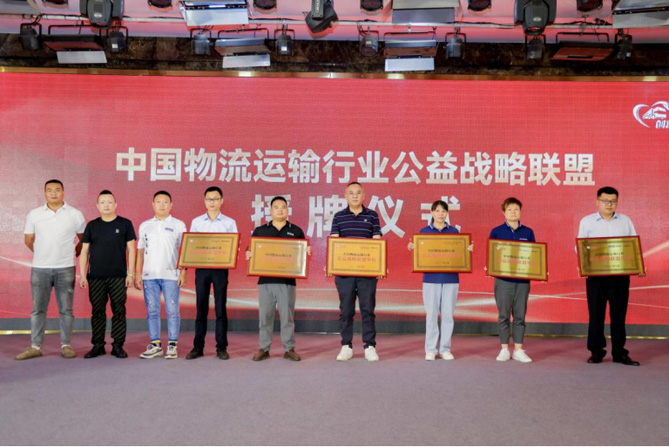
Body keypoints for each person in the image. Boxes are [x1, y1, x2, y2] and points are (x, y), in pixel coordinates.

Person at [16, 179, 85, 360]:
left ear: (63, 192)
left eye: (57, 190)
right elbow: (28, 240)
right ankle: (35, 346)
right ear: (44, 193)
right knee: (38, 309)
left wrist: (73, 254)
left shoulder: (75, 214)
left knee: (66, 309)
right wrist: (42, 253)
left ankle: (66, 345)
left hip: (66, 268)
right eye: (49, 190)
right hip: (40, 269)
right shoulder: (34, 214)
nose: (53, 193)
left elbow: (83, 240)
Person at [578, 186, 642, 366]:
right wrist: (586, 261)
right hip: (596, 277)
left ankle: (619, 353)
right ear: (597, 201)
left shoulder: (625, 221)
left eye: (613, 201)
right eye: (605, 201)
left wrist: (638, 265)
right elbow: (579, 247)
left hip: (619, 276)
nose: (609, 204)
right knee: (596, 315)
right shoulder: (587, 221)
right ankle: (596, 352)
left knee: (619, 315)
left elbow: (633, 245)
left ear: (617, 202)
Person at [245, 196, 311, 362]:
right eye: (276, 207)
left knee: (287, 318)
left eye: (283, 207)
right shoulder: (260, 231)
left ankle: (289, 348)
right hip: (265, 282)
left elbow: (301, 254)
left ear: (287, 210)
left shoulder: (296, 231)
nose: (280, 210)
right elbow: (251, 248)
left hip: (287, 282)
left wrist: (306, 252)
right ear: (270, 210)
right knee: (265, 317)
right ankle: (264, 348)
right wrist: (248, 252)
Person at [408, 200, 472, 361]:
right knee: (431, 315)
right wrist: (413, 248)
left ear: (447, 213)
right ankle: (430, 349)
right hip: (430, 279)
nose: (440, 214)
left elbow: (459, 254)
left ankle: (445, 349)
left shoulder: (455, 232)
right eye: (437, 211)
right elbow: (421, 255)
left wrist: (467, 250)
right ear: (431, 212)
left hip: (451, 279)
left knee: (448, 315)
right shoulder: (423, 232)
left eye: (443, 211)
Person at [78, 190, 136, 359]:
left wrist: (130, 274)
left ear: (115, 204)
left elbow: (132, 250)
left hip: (118, 277)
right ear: (97, 206)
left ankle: (118, 345)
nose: (106, 205)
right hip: (96, 277)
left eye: (110, 202)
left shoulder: (125, 224)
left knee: (119, 310)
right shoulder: (92, 225)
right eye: (103, 202)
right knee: (97, 311)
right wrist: (82, 275)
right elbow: (84, 251)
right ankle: (98, 345)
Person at [329, 182, 382, 362]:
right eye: (351, 193)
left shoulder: (372, 215)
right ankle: (346, 346)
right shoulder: (339, 217)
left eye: (358, 193)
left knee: (368, 310)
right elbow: (335, 243)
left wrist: (379, 265)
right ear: (345, 196)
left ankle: (370, 346)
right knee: (346, 311)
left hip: (367, 273)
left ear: (363, 195)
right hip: (345, 274)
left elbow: (377, 242)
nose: (354, 196)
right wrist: (331, 264)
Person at [185, 186, 237, 361]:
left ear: (222, 201)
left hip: (221, 269)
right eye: (209, 199)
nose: (212, 202)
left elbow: (233, 246)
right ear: (204, 201)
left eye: (215, 199)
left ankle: (221, 347)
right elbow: (192, 245)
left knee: (221, 308)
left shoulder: (229, 223)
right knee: (201, 308)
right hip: (202, 269)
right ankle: (197, 347)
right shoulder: (197, 222)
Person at [135, 191, 187, 359]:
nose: (162, 205)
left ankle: (172, 345)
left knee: (172, 311)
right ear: (153, 204)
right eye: (158, 202)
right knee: (152, 311)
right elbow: (140, 251)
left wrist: (183, 272)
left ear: (171, 205)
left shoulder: (179, 225)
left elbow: (185, 251)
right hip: (149, 276)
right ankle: (155, 345)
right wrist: (138, 274)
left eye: (165, 202)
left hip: (171, 275)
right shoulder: (145, 225)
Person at [489, 197, 535, 363]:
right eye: (510, 209)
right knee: (503, 315)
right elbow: (492, 255)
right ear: (504, 212)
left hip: (522, 281)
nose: (513, 212)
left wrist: (538, 269)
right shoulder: (496, 231)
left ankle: (518, 350)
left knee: (520, 316)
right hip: (503, 281)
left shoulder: (528, 232)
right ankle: (504, 349)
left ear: (520, 211)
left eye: (516, 209)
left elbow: (534, 255)